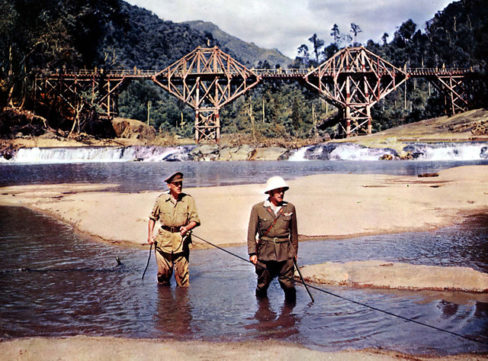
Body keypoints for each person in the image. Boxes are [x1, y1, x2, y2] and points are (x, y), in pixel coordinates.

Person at [247, 176, 298, 301]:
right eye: (278, 190)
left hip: (285, 253)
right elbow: (251, 233)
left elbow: (294, 234)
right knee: (262, 284)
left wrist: (294, 253)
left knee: (288, 285)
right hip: (264, 253)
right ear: (270, 192)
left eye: (283, 191)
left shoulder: (290, 208)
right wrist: (252, 253)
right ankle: (262, 312)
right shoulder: (258, 208)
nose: (281, 193)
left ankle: (289, 315)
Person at [147, 171, 200, 287]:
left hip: (181, 241)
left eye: (180, 183)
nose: (179, 186)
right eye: (176, 184)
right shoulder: (161, 199)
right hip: (163, 241)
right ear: (169, 185)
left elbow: (195, 220)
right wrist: (150, 236)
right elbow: (152, 218)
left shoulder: (188, 200)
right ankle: (165, 302)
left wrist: (187, 227)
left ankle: (183, 304)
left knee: (182, 278)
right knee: (163, 275)